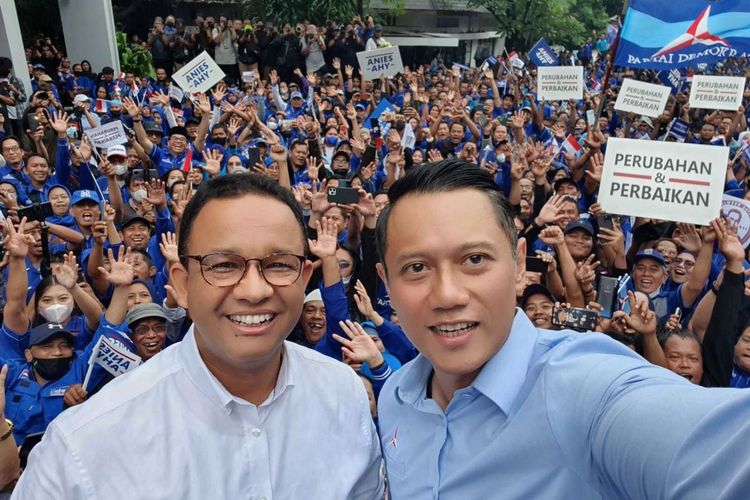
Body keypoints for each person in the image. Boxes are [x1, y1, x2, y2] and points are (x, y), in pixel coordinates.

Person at [375, 159, 750, 499]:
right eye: (416, 268)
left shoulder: (584, 387)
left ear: (518, 262)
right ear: (386, 283)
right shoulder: (396, 396)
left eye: (475, 259)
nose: (447, 295)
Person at [15, 174, 384, 498]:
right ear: (183, 284)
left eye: (278, 265)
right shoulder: (81, 448)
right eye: (223, 265)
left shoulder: (344, 394)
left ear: (304, 279)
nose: (254, 290)